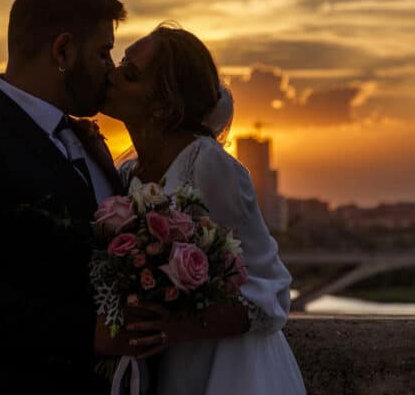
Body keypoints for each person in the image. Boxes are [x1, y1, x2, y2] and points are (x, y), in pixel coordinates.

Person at [0, 0, 161, 394]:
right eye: (104, 53)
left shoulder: (86, 141)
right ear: (63, 50)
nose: (110, 71)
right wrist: (89, 332)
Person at [100, 24, 306, 394]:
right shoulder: (128, 172)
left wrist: (183, 326)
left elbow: (272, 294)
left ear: (164, 106)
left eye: (129, 75)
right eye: (119, 63)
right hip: (168, 367)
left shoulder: (209, 167)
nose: (110, 75)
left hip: (228, 370)